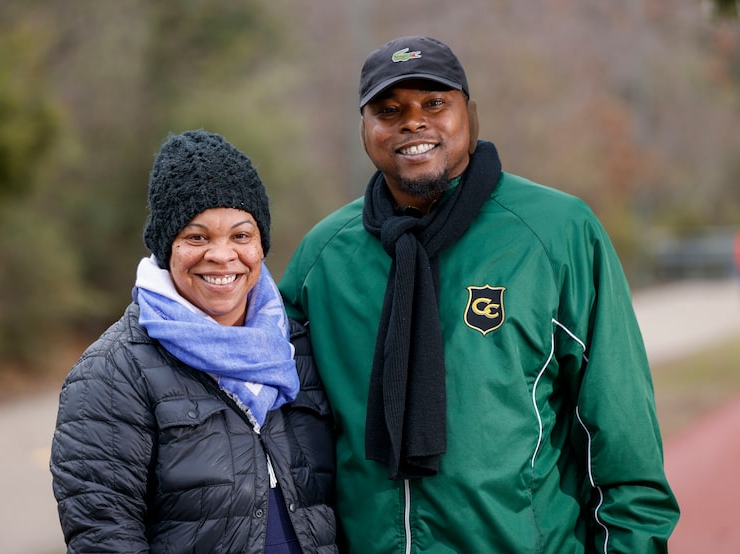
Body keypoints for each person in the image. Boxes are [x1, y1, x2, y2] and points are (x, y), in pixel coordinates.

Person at [278, 36, 679, 552]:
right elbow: (284, 434)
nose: (413, 122)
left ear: (471, 113)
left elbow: (624, 443)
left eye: (435, 103)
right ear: (364, 129)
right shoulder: (324, 259)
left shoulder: (556, 233)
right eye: (388, 110)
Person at [50, 130, 337, 553]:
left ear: (261, 246)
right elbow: (104, 536)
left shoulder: (300, 349)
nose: (222, 256)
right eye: (197, 237)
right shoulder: (113, 372)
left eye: (241, 236)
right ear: (168, 248)